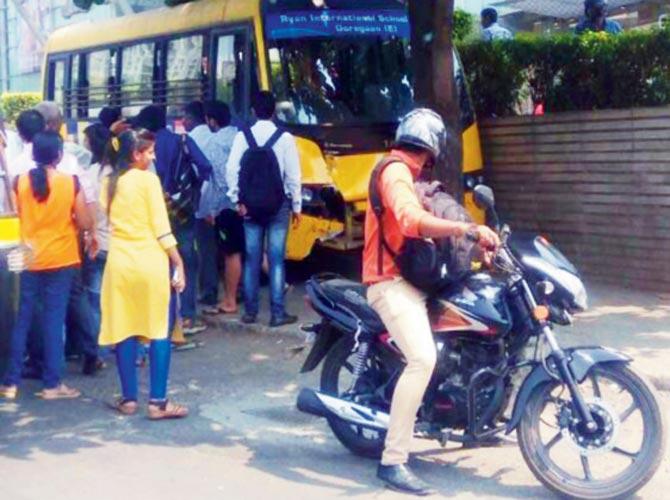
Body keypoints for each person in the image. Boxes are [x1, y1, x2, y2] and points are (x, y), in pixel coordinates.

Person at [363, 109, 499, 495]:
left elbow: (431, 233)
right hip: (390, 283)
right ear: (433, 145)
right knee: (423, 358)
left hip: (416, 279)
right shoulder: (393, 172)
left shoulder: (414, 175)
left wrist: (476, 248)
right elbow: (409, 220)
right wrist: (466, 227)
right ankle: (393, 461)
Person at [99, 129, 188, 419]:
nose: (153, 156)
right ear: (136, 155)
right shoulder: (148, 181)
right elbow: (161, 228)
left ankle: (128, 400)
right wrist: (179, 262)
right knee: (158, 330)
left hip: (119, 265)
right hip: (150, 263)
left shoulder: (109, 183)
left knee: (124, 330)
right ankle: (158, 403)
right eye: (149, 152)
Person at [0, 131, 93, 400]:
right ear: (59, 156)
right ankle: (52, 384)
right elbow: (86, 222)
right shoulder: (70, 183)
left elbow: (17, 215)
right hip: (61, 259)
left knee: (24, 319)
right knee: (54, 321)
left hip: (29, 257)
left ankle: (10, 382)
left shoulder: (19, 183)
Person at [132, 104, 212, 335]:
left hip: (152, 212)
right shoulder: (182, 141)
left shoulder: (141, 147)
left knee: (158, 262)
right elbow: (205, 167)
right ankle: (187, 316)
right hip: (181, 210)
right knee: (185, 259)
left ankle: (160, 317)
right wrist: (192, 191)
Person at [226, 91, 301, 327]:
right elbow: (293, 175)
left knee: (252, 259)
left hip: (249, 207)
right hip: (278, 206)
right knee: (277, 260)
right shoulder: (285, 138)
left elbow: (231, 170)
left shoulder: (242, 136)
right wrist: (297, 205)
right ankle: (277, 314)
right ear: (274, 112)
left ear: (252, 112)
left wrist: (236, 200)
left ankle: (250, 312)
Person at [35, 101, 99, 374]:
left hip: (32, 251)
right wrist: (89, 233)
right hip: (65, 247)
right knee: (76, 299)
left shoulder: (20, 174)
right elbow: (85, 217)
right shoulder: (70, 171)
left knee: (40, 306)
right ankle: (91, 350)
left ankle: (46, 363)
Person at [203, 100, 242, 315]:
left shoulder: (214, 143)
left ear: (212, 121)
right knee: (249, 250)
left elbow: (216, 179)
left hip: (226, 206)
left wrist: (212, 210)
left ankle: (229, 301)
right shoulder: (241, 136)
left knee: (230, 254)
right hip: (246, 204)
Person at [183, 101, 219, 310]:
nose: (183, 121)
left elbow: (202, 171)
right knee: (215, 249)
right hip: (220, 203)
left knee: (202, 250)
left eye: (185, 117)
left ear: (192, 118)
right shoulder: (214, 134)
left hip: (199, 203)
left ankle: (207, 292)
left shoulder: (191, 139)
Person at [81, 123, 112, 357]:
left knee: (94, 299)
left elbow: (84, 213)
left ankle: (97, 351)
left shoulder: (88, 175)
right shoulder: (123, 175)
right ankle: (136, 351)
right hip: (122, 245)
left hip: (96, 245)